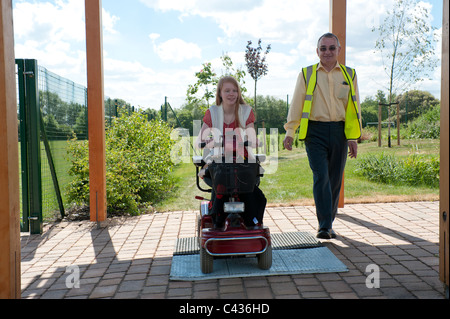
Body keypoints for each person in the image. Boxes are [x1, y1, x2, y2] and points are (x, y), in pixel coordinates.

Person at [283, 33, 361, 239]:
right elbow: (297, 103)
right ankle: (324, 225)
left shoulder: (349, 74)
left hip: (339, 133)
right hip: (314, 132)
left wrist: (353, 138)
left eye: (331, 48)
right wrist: (290, 131)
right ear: (317, 51)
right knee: (321, 177)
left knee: (335, 180)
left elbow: (354, 108)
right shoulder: (307, 74)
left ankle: (329, 222)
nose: (327, 52)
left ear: (339, 50)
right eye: (323, 48)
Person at [197, 76, 266, 228]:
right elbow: (199, 141)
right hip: (219, 160)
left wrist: (253, 140)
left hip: (241, 160)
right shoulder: (213, 112)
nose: (231, 94)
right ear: (220, 93)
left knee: (255, 195)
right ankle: (217, 219)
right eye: (227, 90)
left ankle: (252, 222)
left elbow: (251, 136)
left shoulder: (246, 111)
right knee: (221, 178)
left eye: (235, 90)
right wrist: (212, 141)